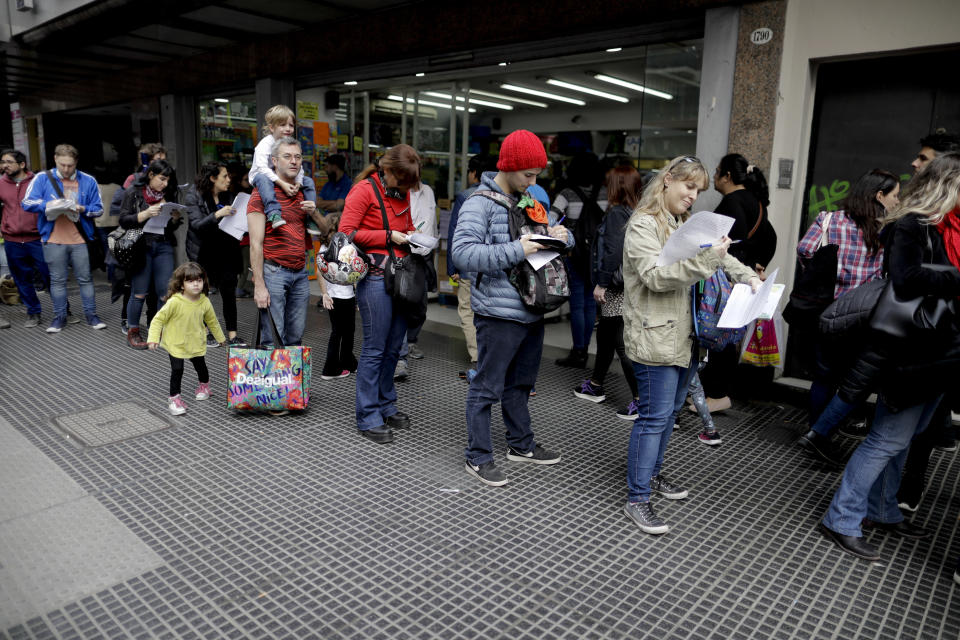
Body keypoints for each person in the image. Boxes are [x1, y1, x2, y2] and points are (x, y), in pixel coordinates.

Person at [818, 152, 960, 562]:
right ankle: (841, 518)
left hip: (939, 352)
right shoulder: (911, 224)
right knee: (886, 439)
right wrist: (956, 278)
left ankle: (882, 510)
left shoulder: (949, 227)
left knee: (904, 439)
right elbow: (906, 276)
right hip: (911, 350)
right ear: (947, 185)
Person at [620, 155, 760, 534]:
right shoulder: (643, 225)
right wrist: (706, 262)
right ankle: (637, 497)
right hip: (655, 337)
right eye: (688, 187)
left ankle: (652, 477)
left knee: (667, 417)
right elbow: (654, 277)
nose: (693, 195)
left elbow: (724, 257)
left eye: (699, 189)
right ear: (667, 180)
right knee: (653, 419)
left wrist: (749, 278)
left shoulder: (683, 223)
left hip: (685, 337)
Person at [451, 129, 572, 486]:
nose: (534, 183)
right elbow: (462, 254)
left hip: (533, 307)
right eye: (528, 175)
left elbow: (547, 234)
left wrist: (563, 236)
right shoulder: (479, 203)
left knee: (521, 384)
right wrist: (519, 249)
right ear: (509, 166)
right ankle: (478, 455)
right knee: (487, 386)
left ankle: (521, 445)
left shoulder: (531, 196)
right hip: (498, 312)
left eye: (537, 175)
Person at [795, 169, 898, 466]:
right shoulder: (885, 227)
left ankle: (816, 433)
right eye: (895, 195)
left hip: (827, 310)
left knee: (824, 376)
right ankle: (827, 433)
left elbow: (804, 250)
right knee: (853, 380)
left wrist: (829, 275)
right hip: (863, 315)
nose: (897, 201)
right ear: (879, 196)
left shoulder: (830, 219)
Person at [339, 144, 420, 444]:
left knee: (394, 347)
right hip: (374, 277)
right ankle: (368, 414)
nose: (406, 187)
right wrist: (388, 236)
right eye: (402, 181)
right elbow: (346, 231)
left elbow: (407, 224)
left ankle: (387, 405)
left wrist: (413, 233)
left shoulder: (403, 191)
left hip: (402, 277)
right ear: (387, 170)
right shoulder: (363, 190)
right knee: (374, 349)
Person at [697, 154, 777, 413]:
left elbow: (734, 239)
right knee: (727, 336)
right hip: (742, 277)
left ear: (727, 176)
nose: (715, 177)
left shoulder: (732, 201)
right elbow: (770, 236)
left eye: (718, 171)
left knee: (720, 337)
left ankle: (717, 395)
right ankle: (712, 393)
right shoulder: (756, 201)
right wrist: (758, 263)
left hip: (728, 278)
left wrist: (740, 265)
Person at [573, 165, 642, 419]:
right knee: (605, 333)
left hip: (615, 286)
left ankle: (640, 400)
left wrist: (601, 282)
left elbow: (613, 251)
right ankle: (596, 384)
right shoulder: (637, 212)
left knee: (621, 344)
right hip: (627, 285)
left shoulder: (617, 214)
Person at [21, 143, 106, 333]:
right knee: (57, 280)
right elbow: (27, 203)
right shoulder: (42, 178)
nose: (66, 169)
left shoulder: (88, 180)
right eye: (62, 165)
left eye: (70, 165)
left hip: (81, 239)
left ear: (76, 162)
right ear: (55, 160)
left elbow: (98, 209)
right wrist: (49, 204)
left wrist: (82, 209)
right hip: (53, 238)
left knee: (85, 279)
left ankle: (91, 316)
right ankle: (59, 318)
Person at [248, 137, 323, 348]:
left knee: (296, 337)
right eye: (287, 156)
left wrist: (314, 212)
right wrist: (259, 286)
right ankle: (272, 381)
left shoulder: (303, 192)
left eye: (298, 157)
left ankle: (290, 381)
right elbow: (255, 244)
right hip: (273, 273)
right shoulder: (261, 194)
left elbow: (325, 230)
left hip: (300, 273)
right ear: (274, 161)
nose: (294, 161)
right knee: (272, 337)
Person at [147, 262, 226, 416]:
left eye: (199, 280)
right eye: (190, 281)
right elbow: (158, 320)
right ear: (182, 285)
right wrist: (153, 338)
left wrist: (220, 338)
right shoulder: (175, 302)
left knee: (201, 366)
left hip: (195, 341)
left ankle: (204, 387)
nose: (196, 284)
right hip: (175, 342)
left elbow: (212, 321)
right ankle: (174, 399)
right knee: (177, 369)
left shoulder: (204, 301)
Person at [118, 159, 182, 349]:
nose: (165, 184)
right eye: (162, 179)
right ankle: (134, 332)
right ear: (151, 175)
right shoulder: (134, 192)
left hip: (163, 246)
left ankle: (159, 331)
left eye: (168, 180)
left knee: (165, 293)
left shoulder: (168, 193)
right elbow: (123, 220)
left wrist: (175, 219)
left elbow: (170, 225)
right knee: (139, 292)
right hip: (141, 246)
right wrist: (145, 214)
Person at [184, 162, 245, 347]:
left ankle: (232, 335)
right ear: (212, 178)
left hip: (227, 249)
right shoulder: (193, 195)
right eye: (224, 176)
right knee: (203, 294)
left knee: (229, 291)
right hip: (204, 251)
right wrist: (218, 214)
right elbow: (196, 225)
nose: (229, 179)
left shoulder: (229, 195)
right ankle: (205, 332)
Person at [552, 151, 604, 368]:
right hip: (597, 258)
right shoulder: (605, 193)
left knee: (577, 305)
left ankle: (579, 351)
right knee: (591, 303)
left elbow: (550, 220)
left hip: (574, 256)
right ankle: (585, 349)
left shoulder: (567, 194)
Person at [112, 143, 166, 335]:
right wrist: (144, 213)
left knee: (159, 289)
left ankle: (154, 323)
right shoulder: (133, 181)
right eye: (156, 160)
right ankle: (129, 323)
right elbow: (121, 209)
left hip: (159, 240)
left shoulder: (166, 184)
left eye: (163, 159)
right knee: (136, 287)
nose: (161, 163)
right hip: (137, 242)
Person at [447, 155, 490, 367]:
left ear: (474, 173)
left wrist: (451, 267)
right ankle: (491, 356)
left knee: (467, 310)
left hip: (469, 264)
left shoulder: (465, 196)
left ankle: (477, 357)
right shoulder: (503, 195)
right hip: (493, 265)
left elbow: (455, 232)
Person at [0, 148, 49, 328]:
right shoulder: (1, 183)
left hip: (37, 238)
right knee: (21, 278)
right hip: (12, 239)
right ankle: (33, 312)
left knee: (50, 275)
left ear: (22, 164)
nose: (4, 166)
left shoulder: (38, 182)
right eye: (2, 162)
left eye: (8, 162)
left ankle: (63, 309)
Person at [394, 179, 437, 379]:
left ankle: (411, 341)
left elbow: (432, 224)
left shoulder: (428, 191)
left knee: (420, 305)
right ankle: (400, 358)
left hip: (425, 253)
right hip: (404, 252)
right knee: (402, 304)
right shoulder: (399, 190)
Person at [248, 105, 316, 230]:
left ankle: (310, 217)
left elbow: (299, 168)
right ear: (271, 127)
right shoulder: (264, 144)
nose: (288, 129)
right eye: (283, 125)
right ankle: (273, 213)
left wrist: (298, 183)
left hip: (278, 176)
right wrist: (282, 183)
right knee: (264, 179)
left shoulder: (289, 144)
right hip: (261, 176)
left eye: (291, 125)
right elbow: (262, 168)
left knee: (309, 181)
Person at [317, 224, 358, 380]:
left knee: (349, 332)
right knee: (338, 332)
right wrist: (324, 294)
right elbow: (320, 272)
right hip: (334, 296)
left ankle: (348, 362)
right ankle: (330, 369)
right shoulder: (325, 248)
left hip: (348, 295)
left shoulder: (348, 246)